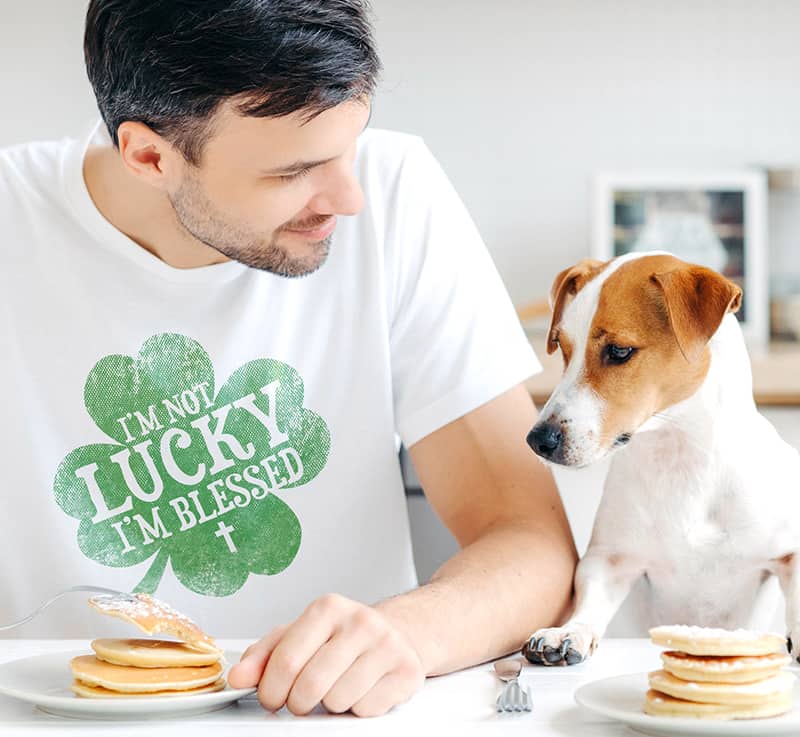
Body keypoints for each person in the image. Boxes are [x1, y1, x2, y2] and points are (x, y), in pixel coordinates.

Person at [0, 0, 577, 717]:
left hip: (336, 720)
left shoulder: (397, 192)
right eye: (293, 172)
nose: (349, 198)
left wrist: (410, 631)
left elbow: (533, 542)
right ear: (150, 156)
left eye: (351, 144)